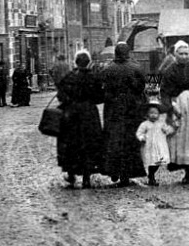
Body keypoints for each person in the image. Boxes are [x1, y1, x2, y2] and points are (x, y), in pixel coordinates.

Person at [56, 50, 104, 189]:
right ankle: (86, 178)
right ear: (88, 62)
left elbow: (61, 96)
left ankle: (71, 174)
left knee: (71, 143)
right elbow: (100, 97)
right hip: (89, 114)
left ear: (76, 62)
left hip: (71, 114)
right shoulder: (93, 77)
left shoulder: (68, 77)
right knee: (88, 143)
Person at [160, 40, 189, 184]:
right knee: (180, 138)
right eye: (181, 54)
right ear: (175, 54)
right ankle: (187, 170)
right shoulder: (168, 70)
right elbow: (164, 91)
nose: (184, 56)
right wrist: (170, 106)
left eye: (186, 54)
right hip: (177, 106)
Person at [101, 42, 148, 186]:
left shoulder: (108, 69)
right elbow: (141, 87)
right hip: (132, 109)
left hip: (114, 109)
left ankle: (114, 170)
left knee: (114, 140)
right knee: (130, 141)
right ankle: (127, 173)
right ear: (128, 53)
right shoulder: (136, 68)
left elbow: (102, 89)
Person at [135, 98, 177, 186]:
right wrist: (142, 138)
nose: (153, 115)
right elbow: (139, 133)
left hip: (159, 146)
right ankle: (151, 177)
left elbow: (167, 130)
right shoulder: (145, 124)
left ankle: (152, 175)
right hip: (149, 147)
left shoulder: (161, 123)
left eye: (155, 113)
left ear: (159, 114)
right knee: (150, 161)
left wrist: (171, 129)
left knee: (158, 162)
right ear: (147, 114)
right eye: (151, 113)